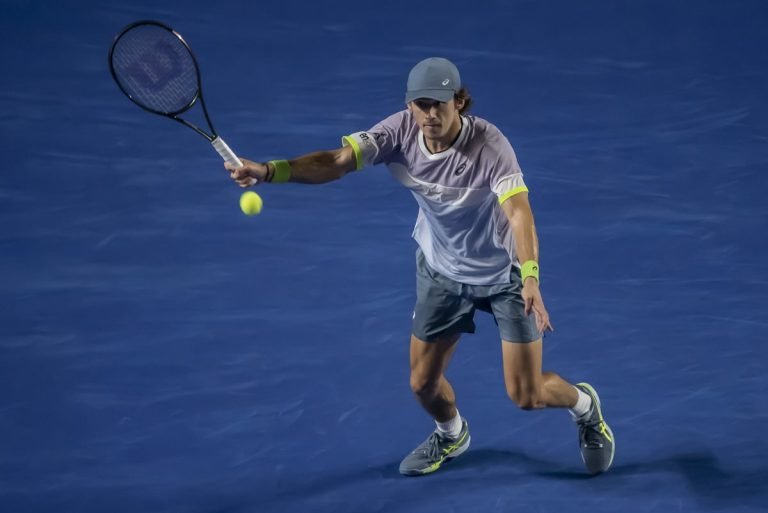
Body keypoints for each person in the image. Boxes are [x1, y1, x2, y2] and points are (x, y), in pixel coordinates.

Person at [226, 57, 614, 476]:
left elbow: (519, 212)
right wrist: (268, 171)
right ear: (409, 105)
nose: (429, 114)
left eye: (439, 104)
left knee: (528, 394)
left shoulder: (490, 145)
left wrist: (532, 276)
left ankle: (585, 406)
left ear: (460, 102)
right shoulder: (396, 133)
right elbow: (335, 162)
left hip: (504, 276)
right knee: (422, 385)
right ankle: (452, 434)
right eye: (420, 104)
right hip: (441, 272)